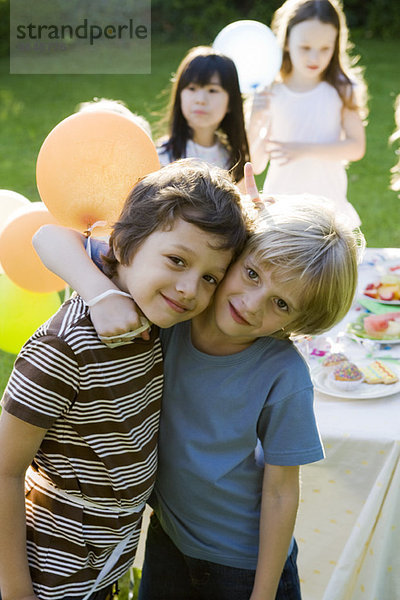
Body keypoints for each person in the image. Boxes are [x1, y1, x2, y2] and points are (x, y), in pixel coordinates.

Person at [33, 165, 365, 600]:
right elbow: (48, 237)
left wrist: (262, 594)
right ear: (234, 256)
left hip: (245, 567)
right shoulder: (175, 310)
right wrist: (100, 292)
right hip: (169, 540)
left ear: (299, 322)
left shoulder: (284, 376)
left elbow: (282, 491)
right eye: (251, 274)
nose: (250, 304)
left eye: (280, 303)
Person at [0, 160, 251, 600]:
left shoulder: (156, 319)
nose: (190, 289)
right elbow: (3, 470)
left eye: (209, 277)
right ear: (121, 245)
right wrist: (15, 591)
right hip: (51, 573)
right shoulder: (64, 349)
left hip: (107, 559)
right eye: (177, 260)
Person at [247, 0, 368, 228]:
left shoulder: (342, 89)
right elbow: (257, 163)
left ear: (336, 45)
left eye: (325, 49)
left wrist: (303, 149)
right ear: (286, 42)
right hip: (282, 208)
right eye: (305, 48)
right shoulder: (270, 90)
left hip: (328, 207)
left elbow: (356, 147)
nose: (315, 58)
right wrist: (255, 119)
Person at [156, 45, 250, 185]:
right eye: (192, 88)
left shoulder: (232, 159)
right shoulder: (162, 158)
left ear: (231, 101)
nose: (200, 100)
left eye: (212, 90)